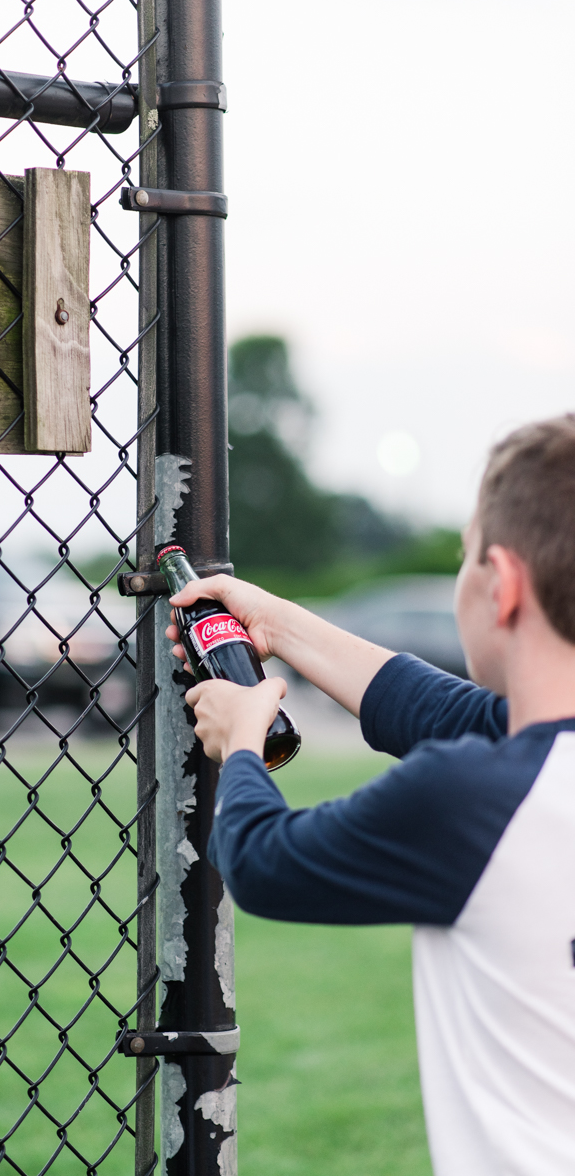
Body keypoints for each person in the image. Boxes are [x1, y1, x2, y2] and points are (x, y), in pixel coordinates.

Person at [165, 415, 575, 1176]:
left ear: (505, 586)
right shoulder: (530, 762)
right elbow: (440, 710)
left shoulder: (472, 798)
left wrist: (243, 741)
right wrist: (275, 622)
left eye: (464, 557)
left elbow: (262, 861)